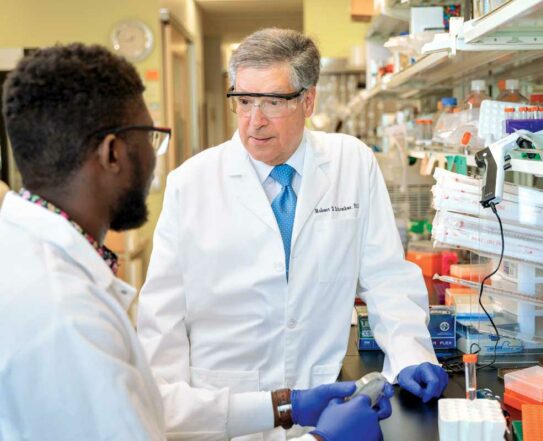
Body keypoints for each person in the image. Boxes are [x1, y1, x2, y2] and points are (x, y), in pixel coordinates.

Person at [0, 43, 389, 441]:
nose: (155, 160)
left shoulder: (28, 266)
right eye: (150, 140)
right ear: (113, 153)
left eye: (271, 102)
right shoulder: (66, 315)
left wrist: (284, 406)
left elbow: (151, 406)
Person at [137, 28, 448, 441]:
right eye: (244, 101)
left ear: (308, 100)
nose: (255, 120)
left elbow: (386, 275)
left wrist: (410, 352)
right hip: (221, 415)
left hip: (325, 407)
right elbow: (162, 325)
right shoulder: (190, 183)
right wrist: (169, 416)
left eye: (273, 102)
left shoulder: (350, 163)